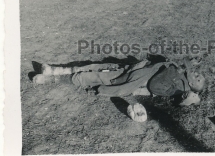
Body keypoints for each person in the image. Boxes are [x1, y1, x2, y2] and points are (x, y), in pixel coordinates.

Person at [32, 56, 205, 106]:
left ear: (190, 85)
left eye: (197, 79)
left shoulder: (176, 83)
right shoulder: (180, 73)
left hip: (132, 78)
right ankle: (55, 70)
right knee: (97, 67)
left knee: (92, 76)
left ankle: (50, 79)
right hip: (132, 69)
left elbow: (154, 85)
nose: (196, 74)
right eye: (198, 74)